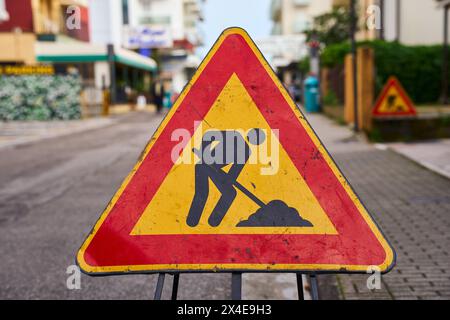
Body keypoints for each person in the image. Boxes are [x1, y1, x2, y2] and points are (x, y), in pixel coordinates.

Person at [187, 129, 265, 227]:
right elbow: (208, 136)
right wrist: (204, 152)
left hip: (215, 170)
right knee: (203, 192)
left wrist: (227, 180)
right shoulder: (234, 135)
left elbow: (233, 174)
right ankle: (192, 221)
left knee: (230, 193)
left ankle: (214, 221)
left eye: (258, 139)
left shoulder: (246, 152)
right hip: (202, 166)